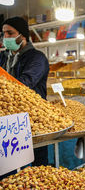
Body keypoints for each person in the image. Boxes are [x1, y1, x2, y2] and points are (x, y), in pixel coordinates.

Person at [0, 17, 49, 166]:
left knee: (36, 166)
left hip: (33, 120)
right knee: (10, 167)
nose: (5, 37)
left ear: (22, 36)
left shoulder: (37, 58)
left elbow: (25, 83)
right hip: (9, 121)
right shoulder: (4, 57)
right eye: (3, 34)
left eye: (10, 33)